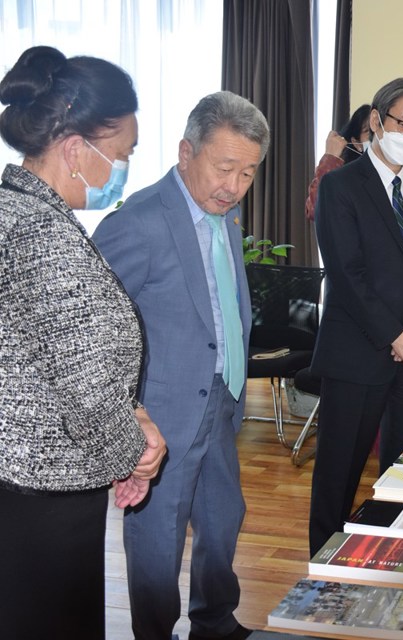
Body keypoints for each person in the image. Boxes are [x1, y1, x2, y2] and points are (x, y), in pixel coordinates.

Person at [0, 45, 166, 640]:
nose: (122, 170)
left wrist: (129, 419)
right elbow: (86, 385)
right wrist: (136, 450)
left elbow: (49, 361)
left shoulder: (17, 213)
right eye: (120, 155)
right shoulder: (42, 235)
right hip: (40, 495)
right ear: (76, 150)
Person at [93, 91, 269, 640]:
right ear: (185, 151)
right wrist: (127, 412)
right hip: (162, 411)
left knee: (222, 520)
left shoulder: (224, 217)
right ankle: (152, 632)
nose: (234, 187)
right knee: (157, 536)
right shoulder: (138, 222)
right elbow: (97, 331)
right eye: (224, 169)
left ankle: (214, 620)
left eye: (248, 173)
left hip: (220, 398)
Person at [308, 77, 403, 556]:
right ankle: (325, 573)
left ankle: (392, 559)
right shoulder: (340, 186)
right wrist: (396, 334)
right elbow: (348, 275)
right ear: (377, 119)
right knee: (339, 475)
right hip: (357, 356)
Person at [304, 103, 371, 220]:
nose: (376, 136)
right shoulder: (346, 176)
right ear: (356, 143)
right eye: (368, 131)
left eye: (380, 129)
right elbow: (315, 210)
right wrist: (330, 158)